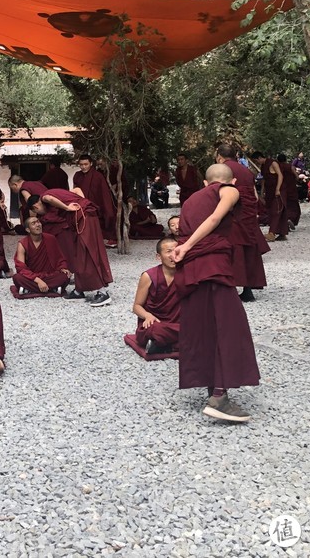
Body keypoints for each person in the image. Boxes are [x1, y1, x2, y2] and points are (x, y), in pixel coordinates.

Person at [172, 163, 261, 423]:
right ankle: (219, 397)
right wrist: (187, 247)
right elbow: (214, 218)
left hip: (192, 270)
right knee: (228, 327)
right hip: (211, 266)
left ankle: (211, 384)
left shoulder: (190, 201)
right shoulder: (229, 190)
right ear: (232, 181)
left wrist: (185, 249)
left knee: (204, 327)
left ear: (203, 183)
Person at [29, 188, 112, 305]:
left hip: (84, 218)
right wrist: (82, 201)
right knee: (81, 254)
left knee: (87, 253)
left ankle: (102, 292)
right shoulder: (59, 193)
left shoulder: (44, 197)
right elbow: (77, 190)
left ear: (36, 207)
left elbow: (49, 198)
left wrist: (67, 208)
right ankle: (79, 290)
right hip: (85, 216)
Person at [214, 144, 270, 302]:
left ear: (219, 156)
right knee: (248, 249)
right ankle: (247, 289)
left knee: (233, 249)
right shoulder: (246, 170)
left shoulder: (222, 170)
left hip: (234, 212)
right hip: (249, 213)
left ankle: (229, 287)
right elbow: (254, 194)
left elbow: (219, 191)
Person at [131, 237, 181, 355]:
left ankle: (163, 346)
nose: (173, 255)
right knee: (154, 330)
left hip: (177, 323)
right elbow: (137, 306)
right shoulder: (149, 276)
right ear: (158, 257)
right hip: (155, 323)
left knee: (199, 328)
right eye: (168, 251)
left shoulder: (186, 275)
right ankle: (175, 344)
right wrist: (147, 316)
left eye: (176, 251)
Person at [12, 215, 70, 295]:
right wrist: (38, 280)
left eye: (38, 222)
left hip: (49, 275)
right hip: (32, 276)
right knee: (17, 278)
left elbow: (59, 258)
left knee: (65, 277)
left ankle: (29, 290)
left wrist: (63, 267)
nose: (38, 224)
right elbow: (21, 267)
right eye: (33, 223)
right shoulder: (22, 244)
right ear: (28, 230)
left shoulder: (51, 238)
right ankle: (52, 288)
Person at [73, 154, 117, 246]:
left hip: (96, 203)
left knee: (107, 217)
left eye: (86, 164)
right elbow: (75, 189)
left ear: (91, 164)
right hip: (82, 204)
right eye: (81, 165)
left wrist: (106, 206)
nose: (83, 167)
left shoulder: (98, 176)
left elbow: (104, 192)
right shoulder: (77, 175)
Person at [256, 152, 288, 241]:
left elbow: (280, 175)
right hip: (270, 191)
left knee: (276, 210)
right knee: (271, 211)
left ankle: (272, 233)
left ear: (260, 158)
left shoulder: (273, 163)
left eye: (257, 160)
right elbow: (264, 179)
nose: (257, 162)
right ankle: (282, 233)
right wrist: (262, 191)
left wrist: (278, 189)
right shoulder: (263, 166)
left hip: (278, 190)